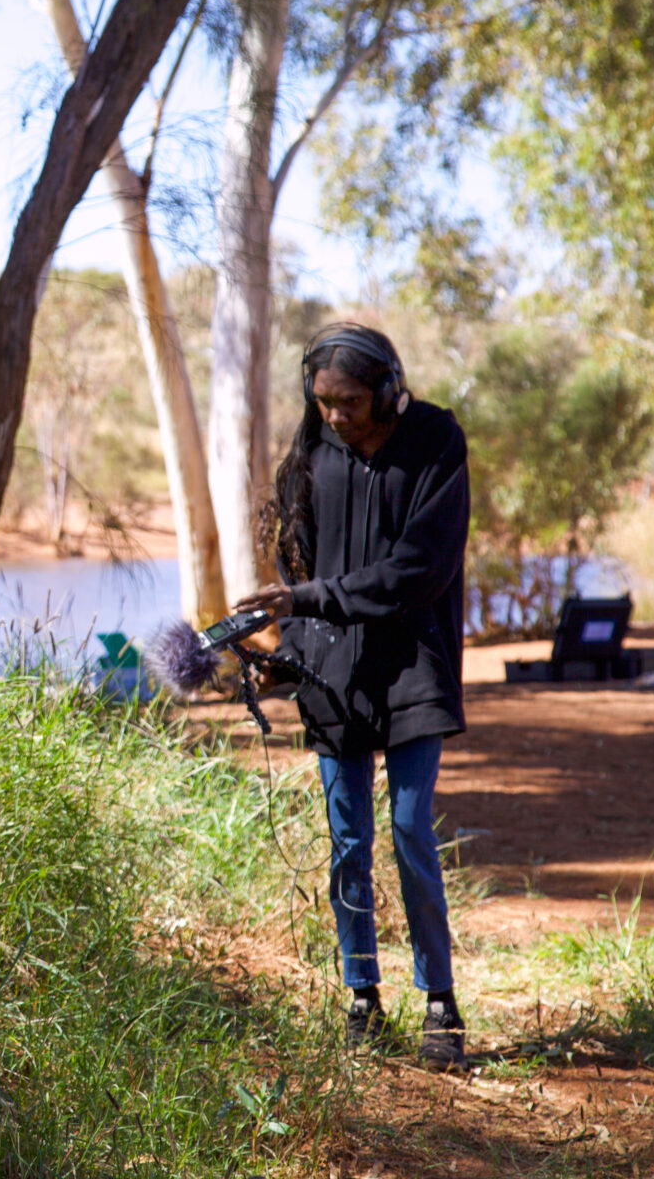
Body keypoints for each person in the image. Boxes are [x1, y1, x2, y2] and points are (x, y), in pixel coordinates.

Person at [234, 324, 470, 1071]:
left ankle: (440, 1003)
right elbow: (294, 561)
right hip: (333, 676)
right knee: (346, 842)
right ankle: (361, 999)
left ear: (389, 389)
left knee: (408, 828)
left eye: (350, 401)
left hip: (413, 667)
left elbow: (419, 569)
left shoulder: (435, 443)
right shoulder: (310, 455)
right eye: (324, 402)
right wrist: (286, 655)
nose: (336, 415)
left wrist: (310, 596)